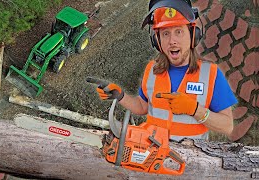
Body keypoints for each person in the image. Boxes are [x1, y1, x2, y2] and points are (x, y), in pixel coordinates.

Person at [87, 0, 238, 142]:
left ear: (193, 35)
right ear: (157, 40)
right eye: (165, 33)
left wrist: (195, 110)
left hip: (190, 160)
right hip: (151, 153)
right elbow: (143, 106)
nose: (172, 41)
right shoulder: (152, 70)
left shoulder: (210, 74)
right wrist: (120, 96)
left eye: (178, 31)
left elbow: (227, 126)